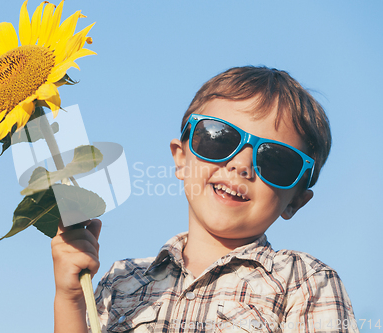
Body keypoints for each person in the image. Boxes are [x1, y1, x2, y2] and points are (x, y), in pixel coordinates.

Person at [51, 66, 359, 332]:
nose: (241, 165)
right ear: (181, 158)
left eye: (276, 160)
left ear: (295, 201)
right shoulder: (120, 282)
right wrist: (70, 298)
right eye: (219, 138)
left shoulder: (304, 282)